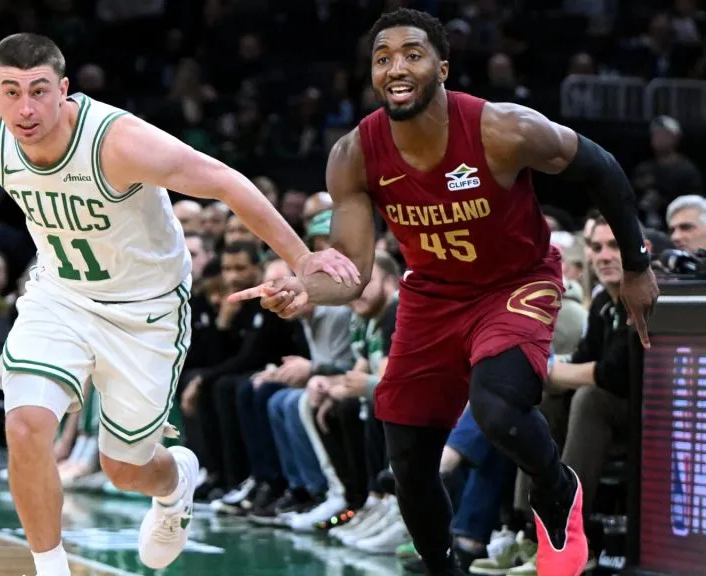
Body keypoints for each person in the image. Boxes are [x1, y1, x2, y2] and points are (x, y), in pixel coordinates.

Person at [0, 33, 357, 575]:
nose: (26, 107)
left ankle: (175, 483)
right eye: (12, 91)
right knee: (24, 426)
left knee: (124, 469)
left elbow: (224, 182)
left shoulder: (117, 141)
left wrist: (302, 258)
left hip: (146, 308)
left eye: (39, 90)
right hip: (61, 296)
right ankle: (52, 569)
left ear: (63, 89)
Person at [231, 9, 658, 576]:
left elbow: (603, 169)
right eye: (383, 58)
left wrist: (635, 265)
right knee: (407, 459)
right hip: (432, 296)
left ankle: (556, 492)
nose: (396, 67)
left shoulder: (503, 128)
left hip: (515, 283)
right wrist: (305, 290)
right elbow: (353, 270)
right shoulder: (354, 154)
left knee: (497, 406)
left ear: (443, 68)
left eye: (412, 53)